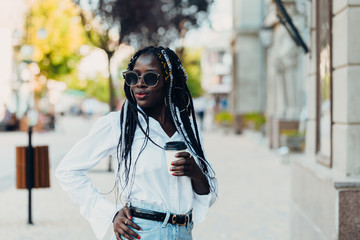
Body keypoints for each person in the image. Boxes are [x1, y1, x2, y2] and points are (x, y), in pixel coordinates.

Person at [56, 46, 217, 240]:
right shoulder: (119, 124)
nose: (139, 84)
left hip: (184, 232)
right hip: (142, 232)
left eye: (150, 78)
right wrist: (110, 213)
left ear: (168, 81)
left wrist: (197, 174)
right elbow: (68, 171)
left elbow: (208, 196)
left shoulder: (188, 126)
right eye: (133, 77)